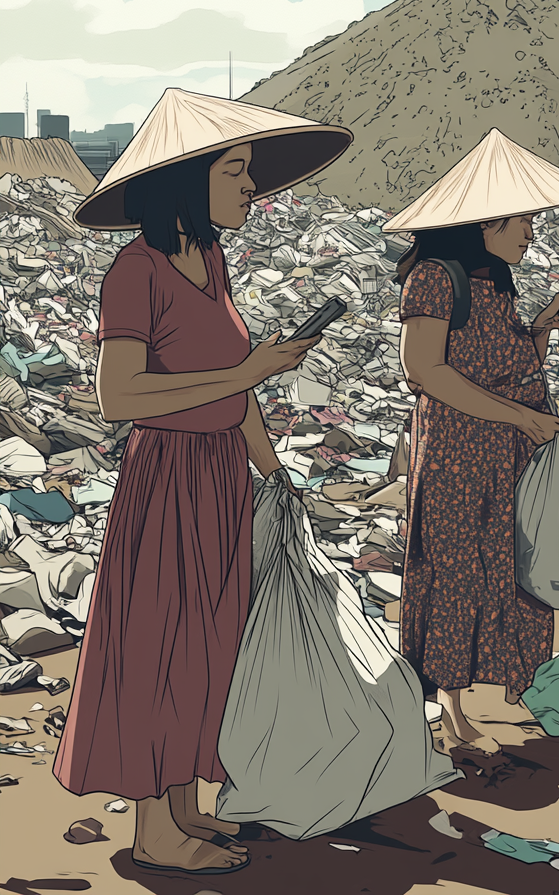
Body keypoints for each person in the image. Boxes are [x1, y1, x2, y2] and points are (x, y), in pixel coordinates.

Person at [53, 88, 352, 876]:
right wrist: (249, 369)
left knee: (210, 646)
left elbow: (234, 390)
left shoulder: (211, 259)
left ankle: (186, 808)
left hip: (220, 475)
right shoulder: (137, 271)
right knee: (161, 645)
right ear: (187, 180)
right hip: (168, 482)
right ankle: (154, 832)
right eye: (235, 170)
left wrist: (274, 471)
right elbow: (121, 397)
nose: (252, 186)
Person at [384, 127, 559, 754]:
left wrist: (540, 329)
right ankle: (452, 715)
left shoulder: (494, 282)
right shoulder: (433, 278)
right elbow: (425, 370)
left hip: (506, 453)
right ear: (486, 223)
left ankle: (490, 693)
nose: (531, 232)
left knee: (504, 567)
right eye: (523, 220)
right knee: (455, 569)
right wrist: (522, 418)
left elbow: (502, 361)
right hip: (460, 452)